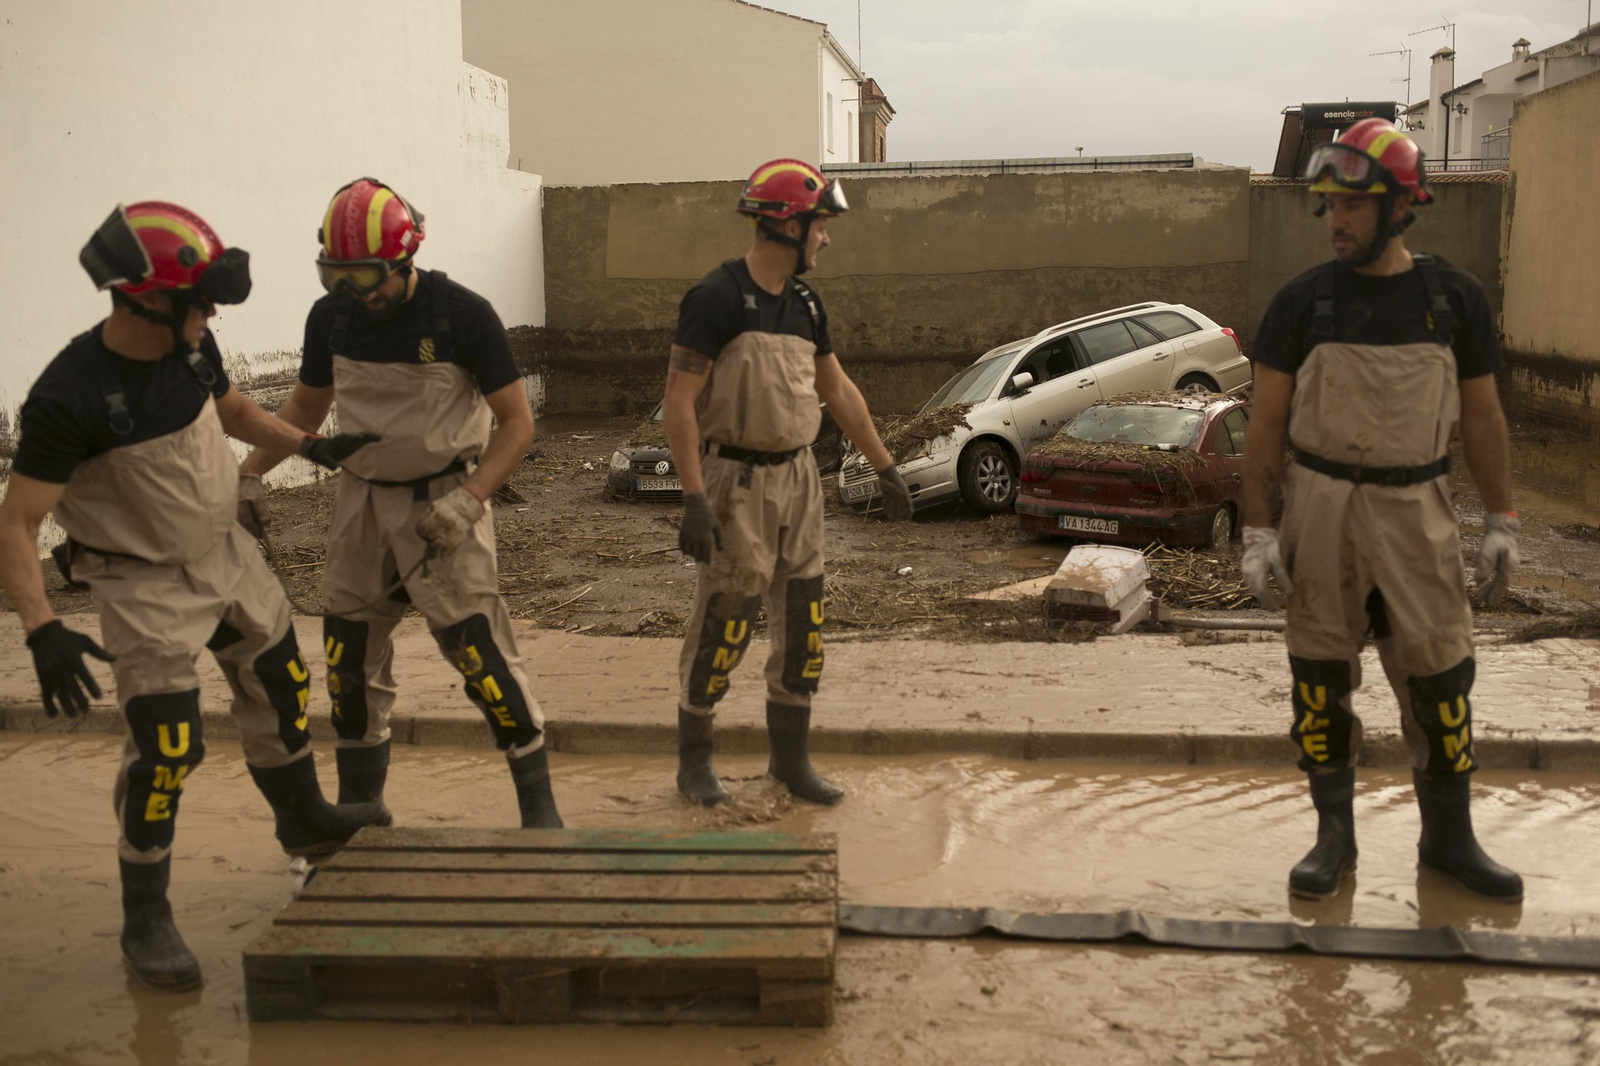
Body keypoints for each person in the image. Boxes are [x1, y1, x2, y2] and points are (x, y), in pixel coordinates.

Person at [0, 202, 390, 990]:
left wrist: (310, 445)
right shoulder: (67, 396)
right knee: (168, 743)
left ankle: (303, 818)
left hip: (224, 551)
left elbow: (234, 412)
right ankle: (145, 914)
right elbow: (17, 520)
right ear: (145, 299)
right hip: (140, 580)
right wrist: (41, 628)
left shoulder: (193, 345)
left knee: (281, 678)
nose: (213, 312)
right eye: (201, 299)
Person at [1240, 119, 1522, 902]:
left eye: (1353, 206)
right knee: (1320, 681)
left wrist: (1502, 519)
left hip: (1418, 511)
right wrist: (1259, 532)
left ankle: (1450, 839)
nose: (1336, 219)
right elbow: (1264, 430)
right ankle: (1335, 837)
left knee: (1440, 680)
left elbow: (1485, 419)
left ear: (1402, 206)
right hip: (1321, 512)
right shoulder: (1300, 305)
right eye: (1329, 205)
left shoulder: (1454, 301)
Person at [239, 177, 561, 829]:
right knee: (347, 659)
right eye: (339, 276)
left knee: (480, 654)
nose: (356, 293)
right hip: (359, 505)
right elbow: (306, 407)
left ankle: (539, 809)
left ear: (405, 258)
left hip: (444, 504)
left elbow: (517, 424)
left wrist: (470, 501)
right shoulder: (330, 318)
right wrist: (248, 474)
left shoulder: (463, 316)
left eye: (367, 277)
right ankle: (362, 806)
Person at [663, 158, 913, 808]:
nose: (826, 239)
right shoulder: (714, 298)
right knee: (726, 623)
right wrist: (693, 499)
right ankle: (695, 762)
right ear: (786, 224)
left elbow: (838, 390)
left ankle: (791, 764)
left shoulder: (805, 304)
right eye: (820, 226)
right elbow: (679, 403)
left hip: (801, 482)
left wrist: (885, 465)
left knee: (804, 627)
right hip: (735, 484)